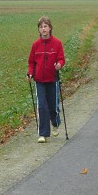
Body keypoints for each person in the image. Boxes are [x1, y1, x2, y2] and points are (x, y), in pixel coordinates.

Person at [27, 16, 65, 144]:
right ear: (38, 29)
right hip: (39, 81)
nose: (43, 29)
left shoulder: (57, 43)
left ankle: (55, 123)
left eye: (45, 26)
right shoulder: (35, 45)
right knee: (42, 107)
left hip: (52, 80)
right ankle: (43, 134)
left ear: (50, 28)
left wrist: (59, 65)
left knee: (53, 107)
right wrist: (30, 74)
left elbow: (61, 59)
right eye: (41, 27)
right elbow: (31, 62)